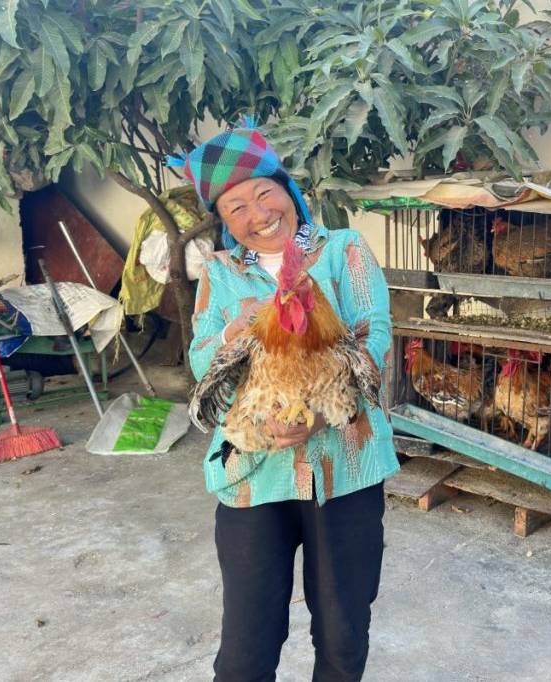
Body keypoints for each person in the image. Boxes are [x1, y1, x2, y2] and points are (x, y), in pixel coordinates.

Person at [171, 123, 398, 681]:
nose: (257, 213)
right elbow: (203, 360)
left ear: (287, 189)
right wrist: (233, 333)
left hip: (346, 466)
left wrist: (322, 410)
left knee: (344, 634)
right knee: (246, 648)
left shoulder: (342, 250)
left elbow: (376, 336)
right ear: (224, 222)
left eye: (263, 193)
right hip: (253, 474)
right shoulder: (220, 274)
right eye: (236, 207)